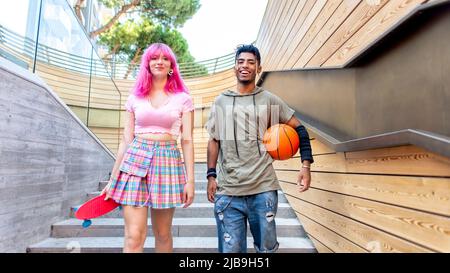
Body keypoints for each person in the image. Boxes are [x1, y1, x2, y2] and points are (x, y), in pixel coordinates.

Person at [205, 44, 313, 253]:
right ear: (234, 68)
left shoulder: (269, 100)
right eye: (240, 62)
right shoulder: (221, 101)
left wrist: (305, 165)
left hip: (263, 190)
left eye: (251, 62)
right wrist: (211, 176)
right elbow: (214, 140)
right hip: (228, 191)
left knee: (266, 251)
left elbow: (300, 129)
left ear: (259, 68)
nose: (245, 66)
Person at [101, 43, 195, 253]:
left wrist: (190, 181)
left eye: (164, 58)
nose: (159, 62)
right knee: (134, 236)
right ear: (147, 64)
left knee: (163, 234)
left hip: (168, 162)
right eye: (154, 58)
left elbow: (187, 140)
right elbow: (126, 139)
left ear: (171, 65)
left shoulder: (183, 99)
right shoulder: (134, 97)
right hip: (135, 161)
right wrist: (113, 178)